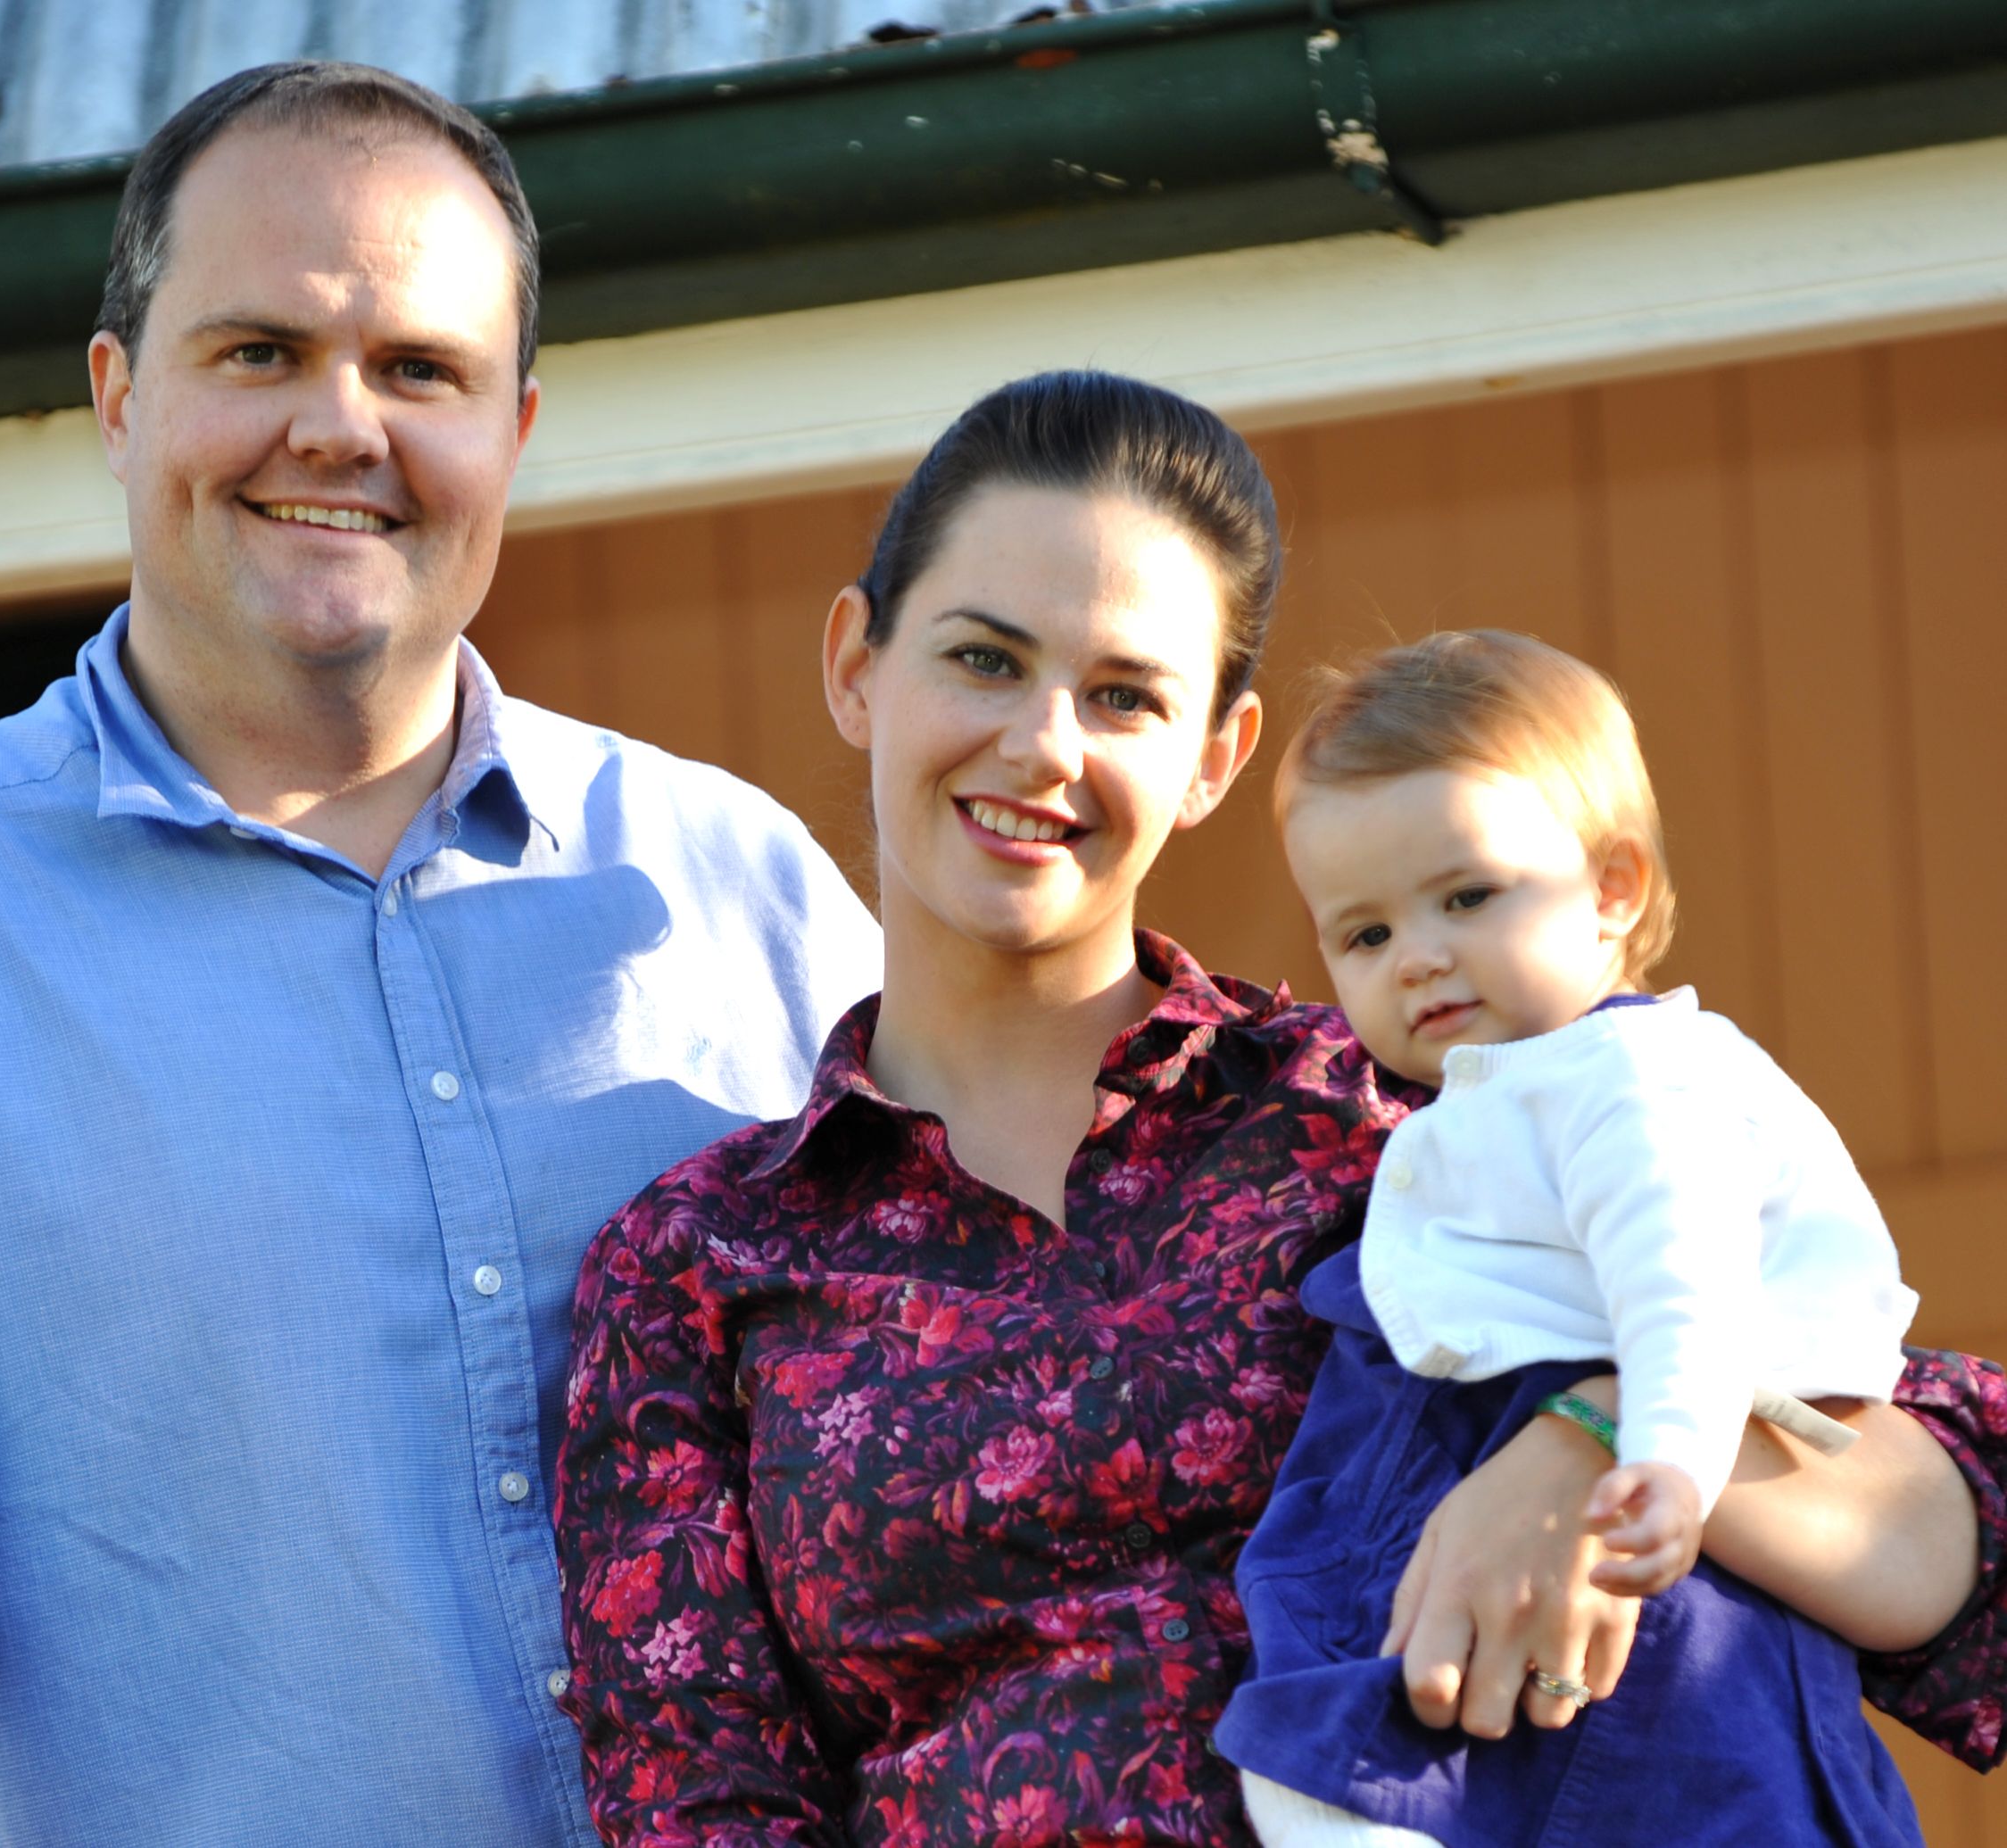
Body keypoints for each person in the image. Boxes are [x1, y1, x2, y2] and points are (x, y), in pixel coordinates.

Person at [0, 62, 882, 1846]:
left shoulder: (741, 884)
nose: (340, 428)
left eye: (420, 372)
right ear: (118, 398)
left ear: (515, 436)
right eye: (260, 354)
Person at [552, 371, 2007, 1847]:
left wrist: (1587, 1434)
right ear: (858, 664)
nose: (1048, 745)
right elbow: (702, 1800)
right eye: (985, 660)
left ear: (1214, 760)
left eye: (1124, 696)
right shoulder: (698, 1264)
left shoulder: (1413, 1103)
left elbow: (1951, 1510)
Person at [1213, 629, 1927, 1845]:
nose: (1419, 956)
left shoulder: (1634, 1081)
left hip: (1654, 1533)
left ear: (1613, 890)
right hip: (1523, 1506)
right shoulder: (1505, 1090)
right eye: (1365, 935)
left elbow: (1684, 1288)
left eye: (1468, 896)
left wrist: (1665, 1462)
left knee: (1688, 1781)